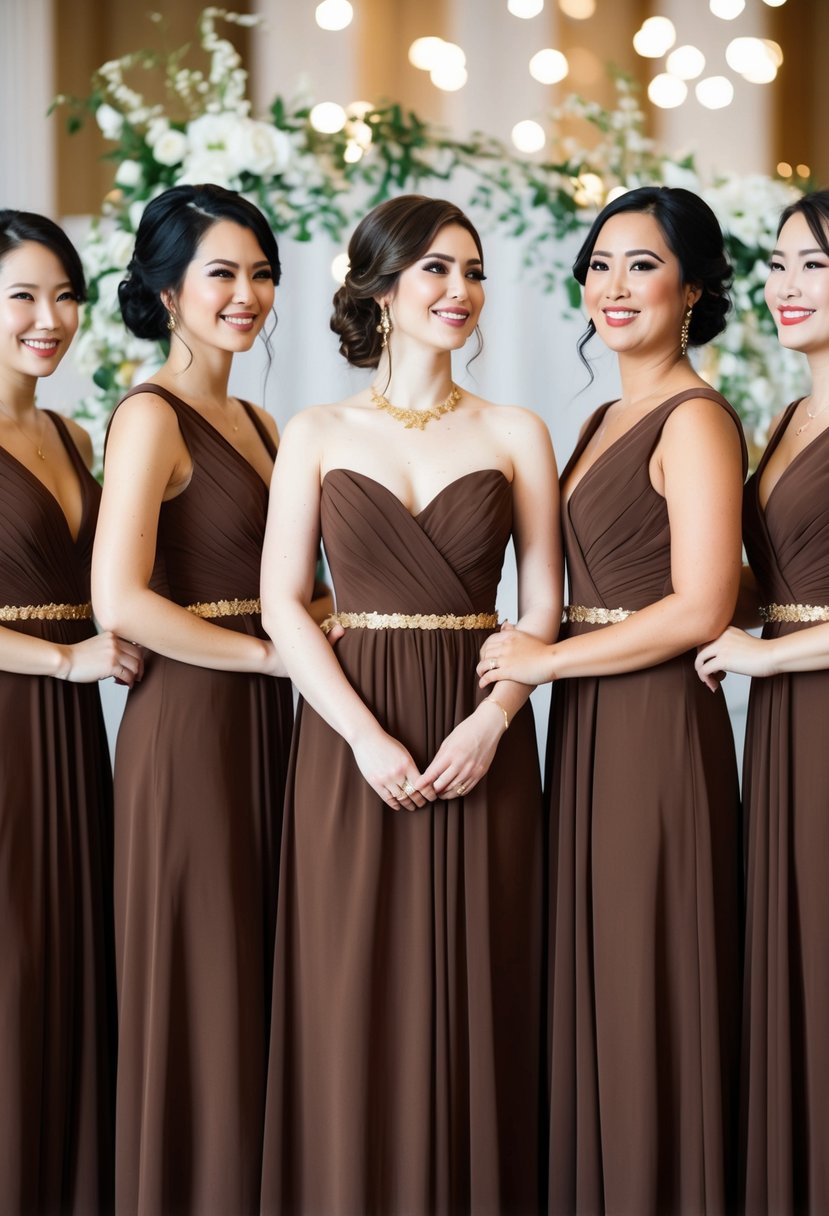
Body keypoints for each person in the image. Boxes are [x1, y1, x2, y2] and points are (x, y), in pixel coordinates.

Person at [259, 194, 561, 1216]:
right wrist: (362, 734)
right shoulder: (314, 431)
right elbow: (280, 602)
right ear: (379, 287)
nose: (460, 291)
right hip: (351, 740)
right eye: (436, 269)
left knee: (489, 979)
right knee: (352, 989)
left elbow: (545, 605)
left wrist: (495, 719)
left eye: (472, 271)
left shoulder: (517, 429)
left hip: (482, 730)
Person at [478, 185, 747, 1215]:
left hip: (650, 729)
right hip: (589, 724)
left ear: (692, 286)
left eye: (639, 263)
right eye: (598, 263)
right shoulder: (597, 416)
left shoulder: (696, 419)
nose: (612, 285)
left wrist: (540, 665)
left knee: (644, 978)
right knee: (589, 974)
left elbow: (700, 605)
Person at [91, 183, 294, 1216]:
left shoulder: (258, 417)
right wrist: (267, 659)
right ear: (166, 287)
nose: (247, 293)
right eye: (223, 272)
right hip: (190, 723)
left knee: (260, 971)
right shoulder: (147, 413)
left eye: (261, 272)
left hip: (265, 721)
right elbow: (118, 595)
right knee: (203, 978)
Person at [0, 209, 142, 1214]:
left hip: (68, 735)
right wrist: (60, 659)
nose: (50, 318)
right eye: (22, 295)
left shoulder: (71, 429)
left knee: (62, 965)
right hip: (18, 713)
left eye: (65, 295)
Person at [696, 187, 829, 1216]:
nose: (787, 287)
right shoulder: (786, 415)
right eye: (779, 265)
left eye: (814, 267)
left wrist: (769, 657)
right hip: (788, 729)